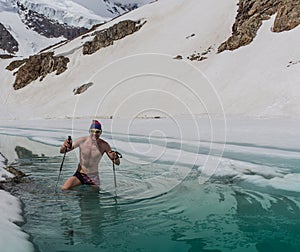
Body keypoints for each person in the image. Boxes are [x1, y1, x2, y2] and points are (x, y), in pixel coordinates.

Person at [59, 120, 120, 190]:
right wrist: (65, 145)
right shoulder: (81, 141)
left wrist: (115, 157)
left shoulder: (104, 145)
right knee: (64, 188)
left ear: (101, 133)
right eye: (92, 131)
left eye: (97, 132)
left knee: (95, 197)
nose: (94, 134)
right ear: (89, 131)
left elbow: (117, 163)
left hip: (93, 177)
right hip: (80, 174)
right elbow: (62, 151)